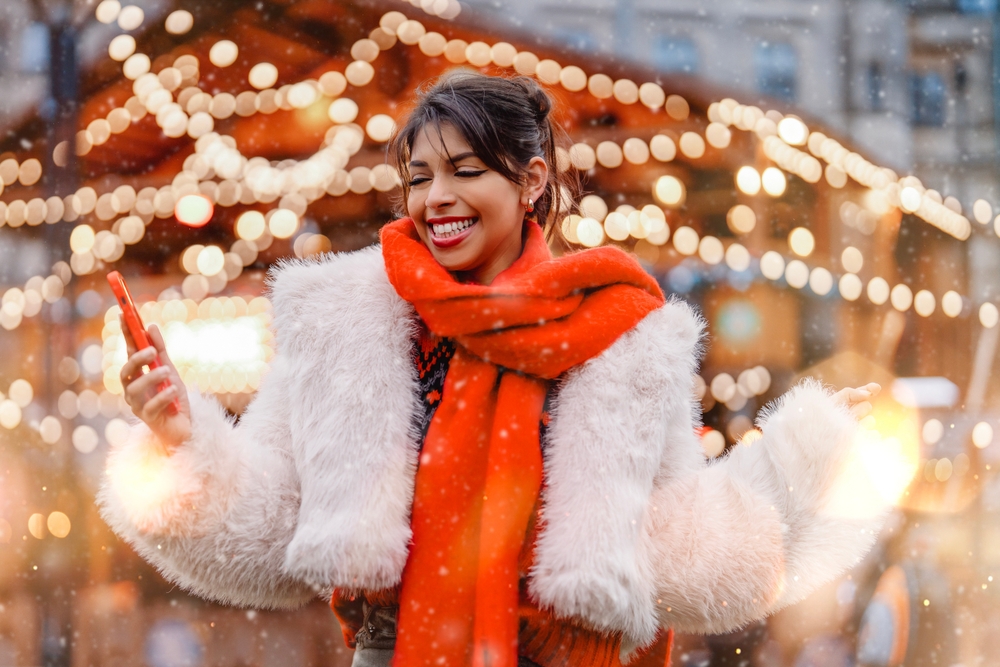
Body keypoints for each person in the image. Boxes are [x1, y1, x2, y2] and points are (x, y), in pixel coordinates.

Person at [101, 71, 885, 667]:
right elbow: (278, 521)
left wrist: (808, 457)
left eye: (465, 170)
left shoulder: (623, 336)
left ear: (532, 181)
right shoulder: (343, 318)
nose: (436, 198)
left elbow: (681, 540)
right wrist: (180, 438)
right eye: (418, 176)